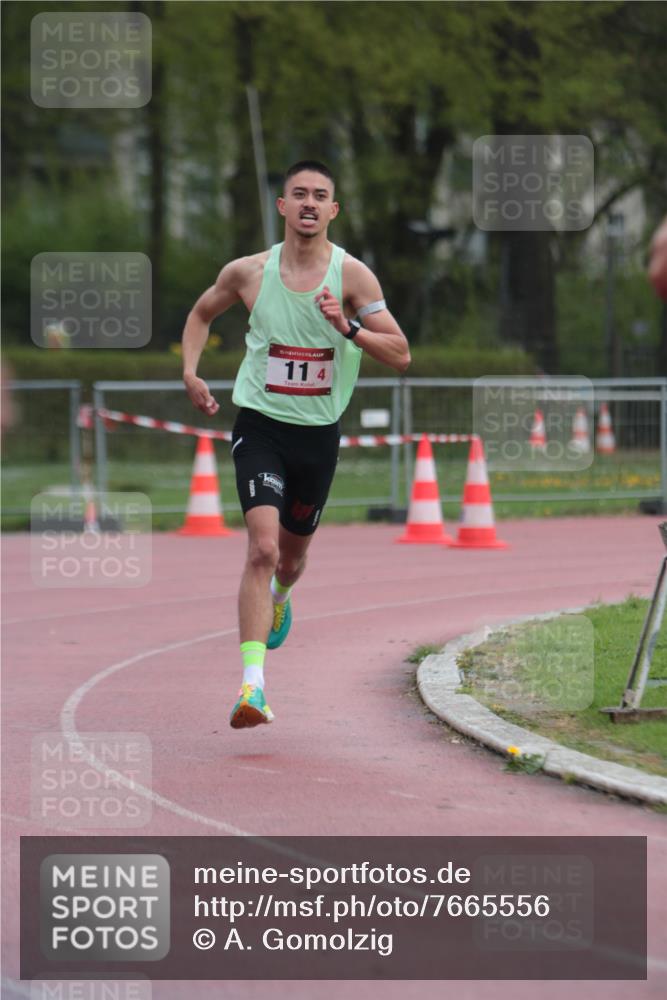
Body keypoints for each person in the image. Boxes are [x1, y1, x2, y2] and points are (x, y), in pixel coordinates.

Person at [182, 160, 410, 729]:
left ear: (334, 211)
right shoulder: (248, 272)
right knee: (260, 549)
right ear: (282, 206)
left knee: (291, 556)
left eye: (321, 196)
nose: (309, 203)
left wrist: (348, 328)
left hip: (318, 436)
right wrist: (190, 371)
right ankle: (252, 689)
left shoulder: (354, 277)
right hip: (260, 426)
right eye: (299, 194)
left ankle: (282, 596)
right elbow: (201, 312)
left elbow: (401, 353)